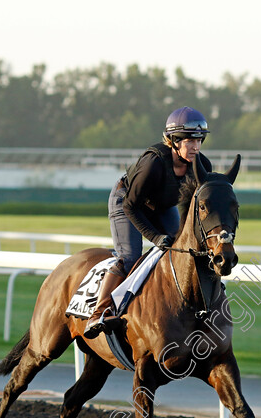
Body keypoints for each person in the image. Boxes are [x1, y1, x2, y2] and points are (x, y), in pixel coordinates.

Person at [83, 107, 213, 339]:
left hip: (161, 205)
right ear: (173, 141)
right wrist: (154, 237)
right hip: (127, 201)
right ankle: (99, 312)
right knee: (130, 257)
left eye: (199, 140)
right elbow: (131, 206)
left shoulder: (202, 166)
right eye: (189, 141)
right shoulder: (153, 163)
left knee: (182, 250)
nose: (196, 147)